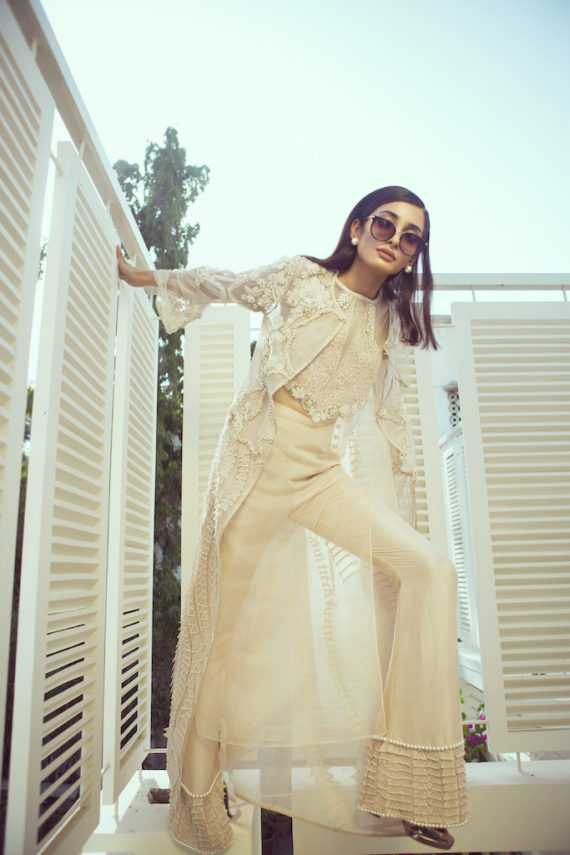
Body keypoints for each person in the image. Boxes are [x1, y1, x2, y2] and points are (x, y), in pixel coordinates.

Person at [117, 185, 469, 853]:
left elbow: (387, 415)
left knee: (430, 569)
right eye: (385, 224)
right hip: (254, 469)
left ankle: (410, 783)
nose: (395, 239)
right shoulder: (302, 277)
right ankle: (198, 794)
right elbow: (224, 282)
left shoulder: (387, 322)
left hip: (320, 478)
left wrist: (398, 491)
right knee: (221, 633)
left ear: (414, 255)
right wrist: (146, 277)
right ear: (358, 227)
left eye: (411, 236)